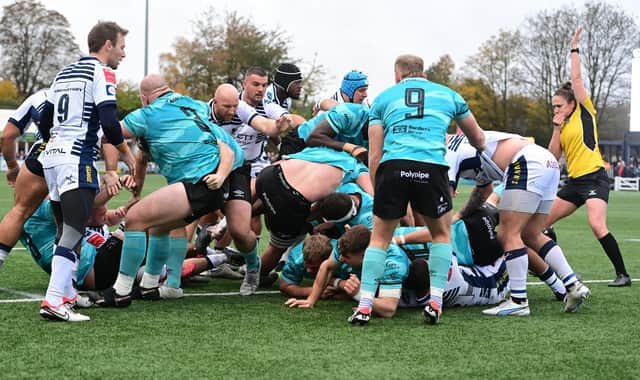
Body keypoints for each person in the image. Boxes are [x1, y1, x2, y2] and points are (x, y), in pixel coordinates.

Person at [350, 54, 486, 325]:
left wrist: (378, 189)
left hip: (394, 167)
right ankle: (436, 303)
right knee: (440, 235)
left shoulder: (384, 98)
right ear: (423, 73)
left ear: (398, 75)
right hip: (432, 168)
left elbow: (374, 155)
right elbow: (479, 138)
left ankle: (364, 306)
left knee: (379, 239)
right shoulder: (450, 95)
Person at [98, 74, 238, 307]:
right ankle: (152, 285)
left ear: (144, 98)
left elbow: (108, 135)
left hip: (197, 182)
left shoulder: (147, 114)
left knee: (134, 219)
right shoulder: (193, 104)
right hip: (220, 178)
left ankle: (120, 291)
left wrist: (112, 170)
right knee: (162, 226)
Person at [37, 21, 135, 322]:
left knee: (62, 231)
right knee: (75, 229)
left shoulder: (64, 72)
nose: (123, 54)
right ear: (107, 45)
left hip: (53, 158)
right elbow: (108, 121)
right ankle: (54, 300)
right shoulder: (102, 72)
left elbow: (44, 116)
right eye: (121, 47)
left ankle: (65, 293)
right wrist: (127, 154)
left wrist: (50, 140)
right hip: (77, 158)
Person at [445, 130, 590, 316]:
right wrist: (459, 217)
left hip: (525, 161)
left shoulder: (450, 149)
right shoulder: (467, 144)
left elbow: (444, 194)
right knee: (531, 234)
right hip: (547, 162)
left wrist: (444, 225)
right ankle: (572, 285)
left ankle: (518, 301)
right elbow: (482, 192)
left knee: (507, 234)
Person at [547, 27, 631, 287]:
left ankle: (623, 275)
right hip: (574, 182)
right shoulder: (562, 124)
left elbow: (577, 79)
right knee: (539, 224)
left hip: (595, 178)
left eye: (559, 105)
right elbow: (553, 156)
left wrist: (574, 48)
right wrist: (556, 126)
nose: (556, 109)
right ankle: (565, 274)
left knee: (596, 225)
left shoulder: (585, 111)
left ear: (572, 103)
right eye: (553, 106)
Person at [255, 146, 370, 278]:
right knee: (277, 246)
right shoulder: (354, 172)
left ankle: (228, 224)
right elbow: (371, 194)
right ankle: (258, 275)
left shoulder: (325, 151)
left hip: (271, 174)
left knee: (248, 211)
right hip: (292, 200)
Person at [0, 89, 50, 269]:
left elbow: (7, 135)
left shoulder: (42, 95)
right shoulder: (95, 89)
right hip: (77, 156)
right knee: (77, 220)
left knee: (19, 211)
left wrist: (13, 167)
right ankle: (66, 281)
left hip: (42, 152)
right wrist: (111, 169)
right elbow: (110, 132)